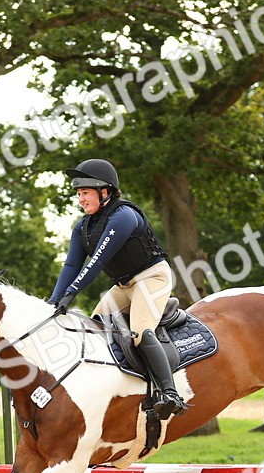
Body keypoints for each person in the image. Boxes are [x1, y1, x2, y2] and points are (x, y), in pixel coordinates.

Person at [48, 158, 190, 417]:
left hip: (151, 278)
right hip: (124, 286)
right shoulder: (82, 227)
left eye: (85, 193)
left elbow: (97, 261)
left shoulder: (123, 216)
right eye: (79, 194)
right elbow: (71, 266)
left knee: (139, 332)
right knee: (94, 328)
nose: (81, 199)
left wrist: (71, 294)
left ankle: (170, 393)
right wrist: (53, 300)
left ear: (105, 191)